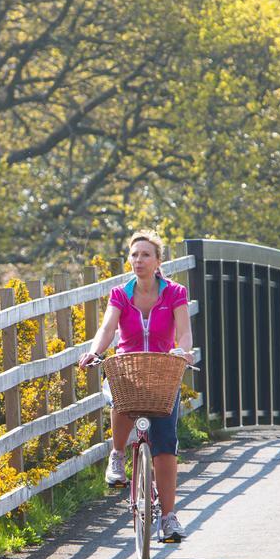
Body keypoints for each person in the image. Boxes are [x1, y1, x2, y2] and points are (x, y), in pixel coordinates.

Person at [78, 230, 195, 543]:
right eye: (134, 255)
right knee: (120, 395)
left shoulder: (175, 292)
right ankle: (116, 456)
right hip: (130, 366)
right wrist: (94, 351)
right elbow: (107, 328)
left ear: (158, 261)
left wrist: (183, 351)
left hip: (162, 370)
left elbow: (184, 333)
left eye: (146, 254)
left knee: (165, 444)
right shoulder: (120, 294)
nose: (139, 260)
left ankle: (169, 518)